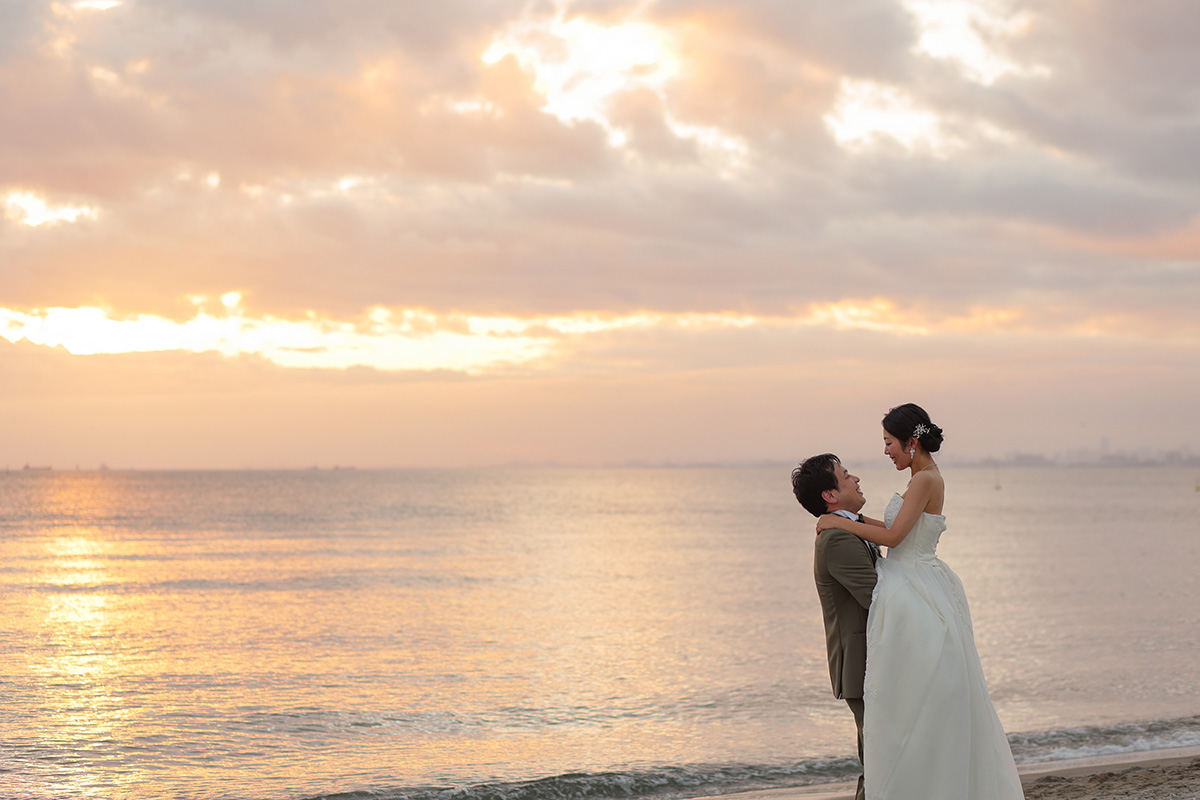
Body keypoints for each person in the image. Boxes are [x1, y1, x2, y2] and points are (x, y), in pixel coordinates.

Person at [813, 403, 1024, 799]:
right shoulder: (919, 478)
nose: (886, 451)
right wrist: (850, 521)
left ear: (911, 441)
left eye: (889, 443)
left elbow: (893, 540)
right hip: (914, 573)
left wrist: (837, 521)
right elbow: (893, 527)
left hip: (916, 575)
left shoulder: (926, 479)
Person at [791, 453, 880, 800]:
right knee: (878, 757)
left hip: (873, 659)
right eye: (846, 476)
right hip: (862, 662)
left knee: (881, 754)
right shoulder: (837, 539)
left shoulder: (847, 526)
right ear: (830, 495)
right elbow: (878, 597)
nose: (856, 478)